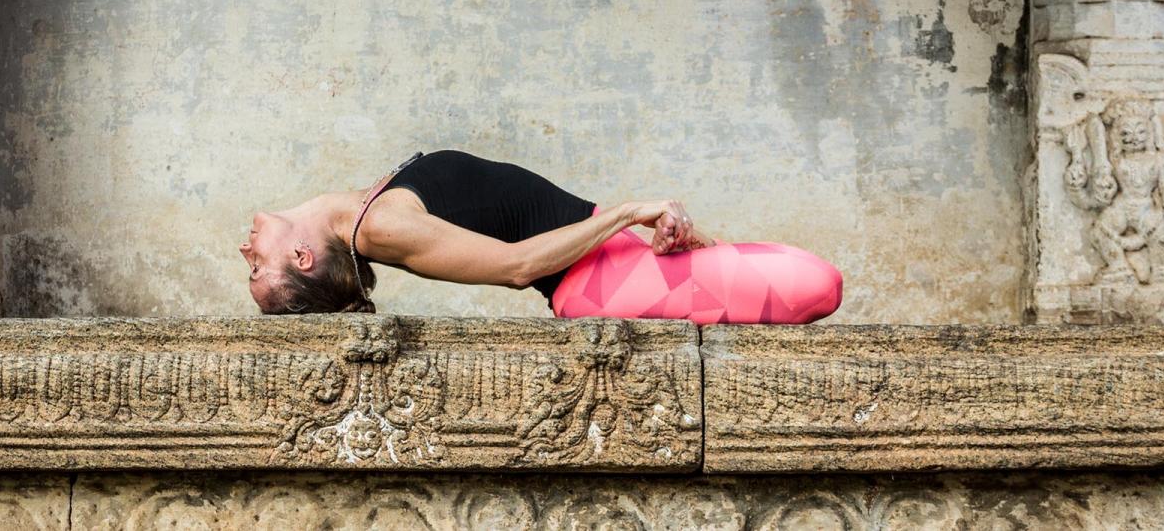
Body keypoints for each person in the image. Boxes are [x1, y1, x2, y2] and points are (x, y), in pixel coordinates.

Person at [240, 150, 843, 325]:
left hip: (619, 267)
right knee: (817, 281)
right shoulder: (380, 227)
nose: (246, 252)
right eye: (256, 270)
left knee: (782, 270)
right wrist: (630, 211)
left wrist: (648, 231)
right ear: (301, 257)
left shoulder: (369, 207)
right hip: (600, 283)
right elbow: (516, 265)